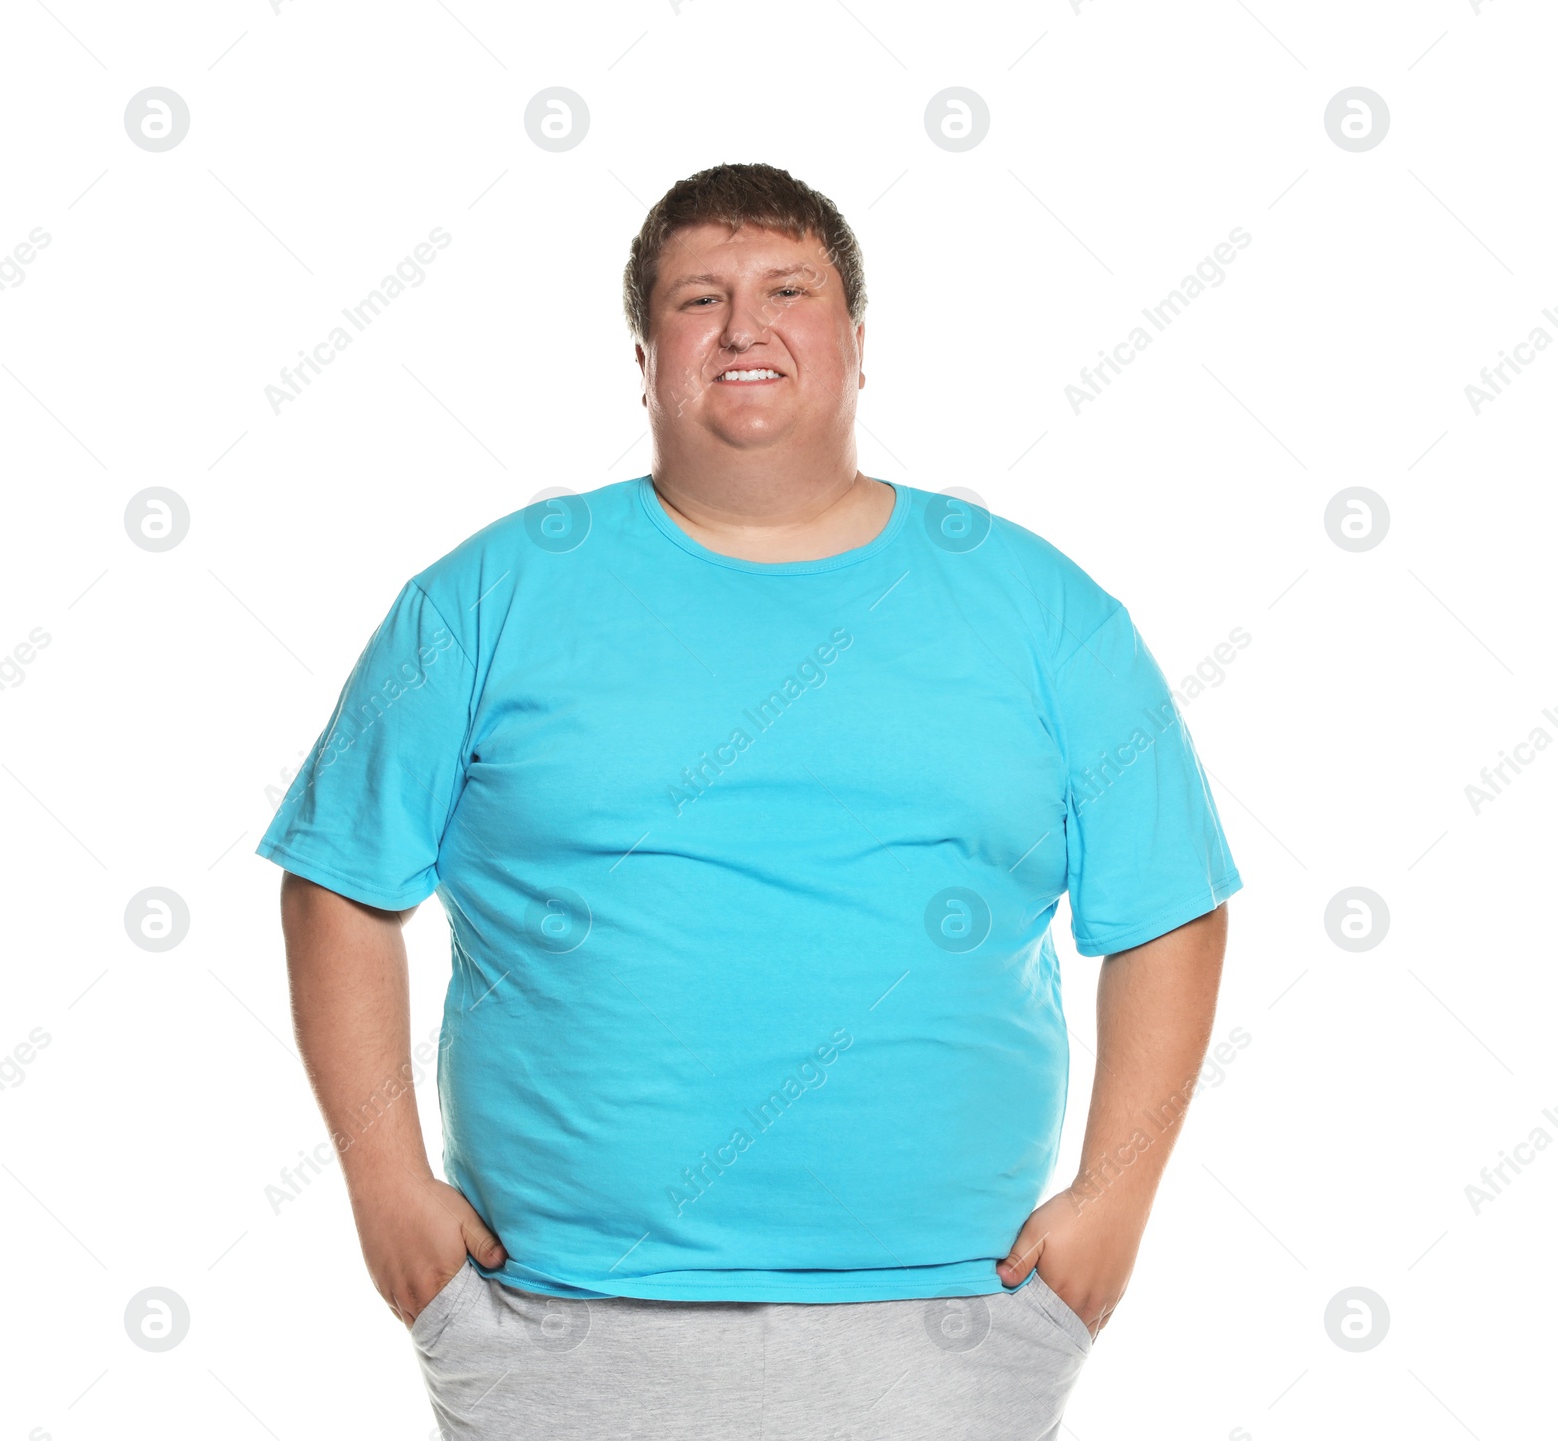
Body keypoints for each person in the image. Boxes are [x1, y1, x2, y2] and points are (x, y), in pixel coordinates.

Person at [258, 161, 1241, 1440]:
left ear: (857, 343)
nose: (744, 325)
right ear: (645, 352)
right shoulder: (488, 596)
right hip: (556, 1317)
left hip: (950, 1318)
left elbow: (1167, 904)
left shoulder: (1038, 607)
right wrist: (386, 1190)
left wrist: (1111, 1203)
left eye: (789, 288)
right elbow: (339, 881)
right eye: (697, 298)